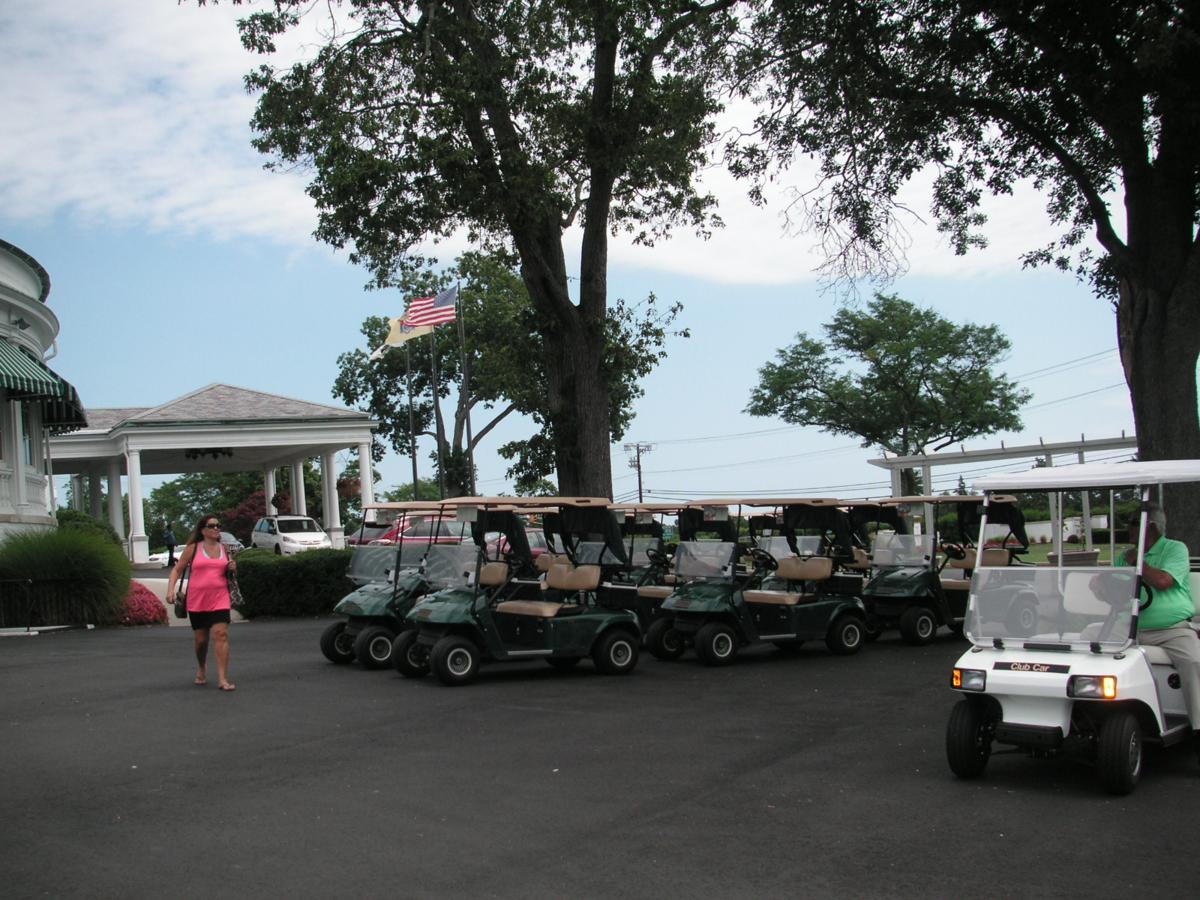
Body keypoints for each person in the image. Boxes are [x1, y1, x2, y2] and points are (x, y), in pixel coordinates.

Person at [1128, 504, 1200, 758]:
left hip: (1172, 629)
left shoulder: (1175, 549)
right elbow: (1119, 590)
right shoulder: (1127, 555)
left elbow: (1162, 581)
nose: (1128, 529)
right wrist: (1101, 587)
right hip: (1129, 630)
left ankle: (1198, 729)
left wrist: (1138, 562)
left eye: (1133, 523)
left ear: (1150, 527)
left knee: (1193, 661)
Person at [167, 514, 237, 691]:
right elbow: (177, 570)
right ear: (203, 530)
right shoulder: (193, 549)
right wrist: (170, 590)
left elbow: (229, 574)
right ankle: (201, 667)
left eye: (218, 525)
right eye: (212, 526)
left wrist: (232, 568)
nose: (216, 528)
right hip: (198, 600)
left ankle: (223, 679)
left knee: (221, 634)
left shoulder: (224, 549)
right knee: (201, 640)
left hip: (220, 598)